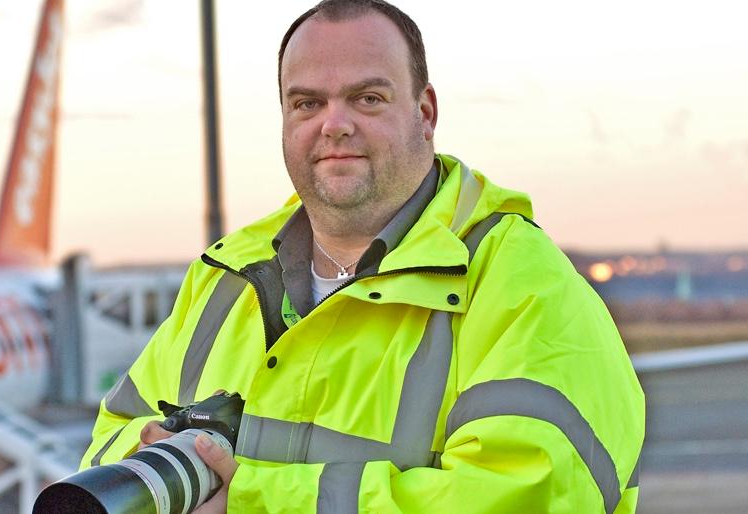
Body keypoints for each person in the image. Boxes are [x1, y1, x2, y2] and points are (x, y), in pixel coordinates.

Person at [80, 0, 645, 512]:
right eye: (307, 103)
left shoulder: (519, 279)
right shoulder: (225, 278)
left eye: (367, 98)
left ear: (425, 112)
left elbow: (532, 494)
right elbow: (108, 446)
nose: (335, 124)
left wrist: (256, 502)